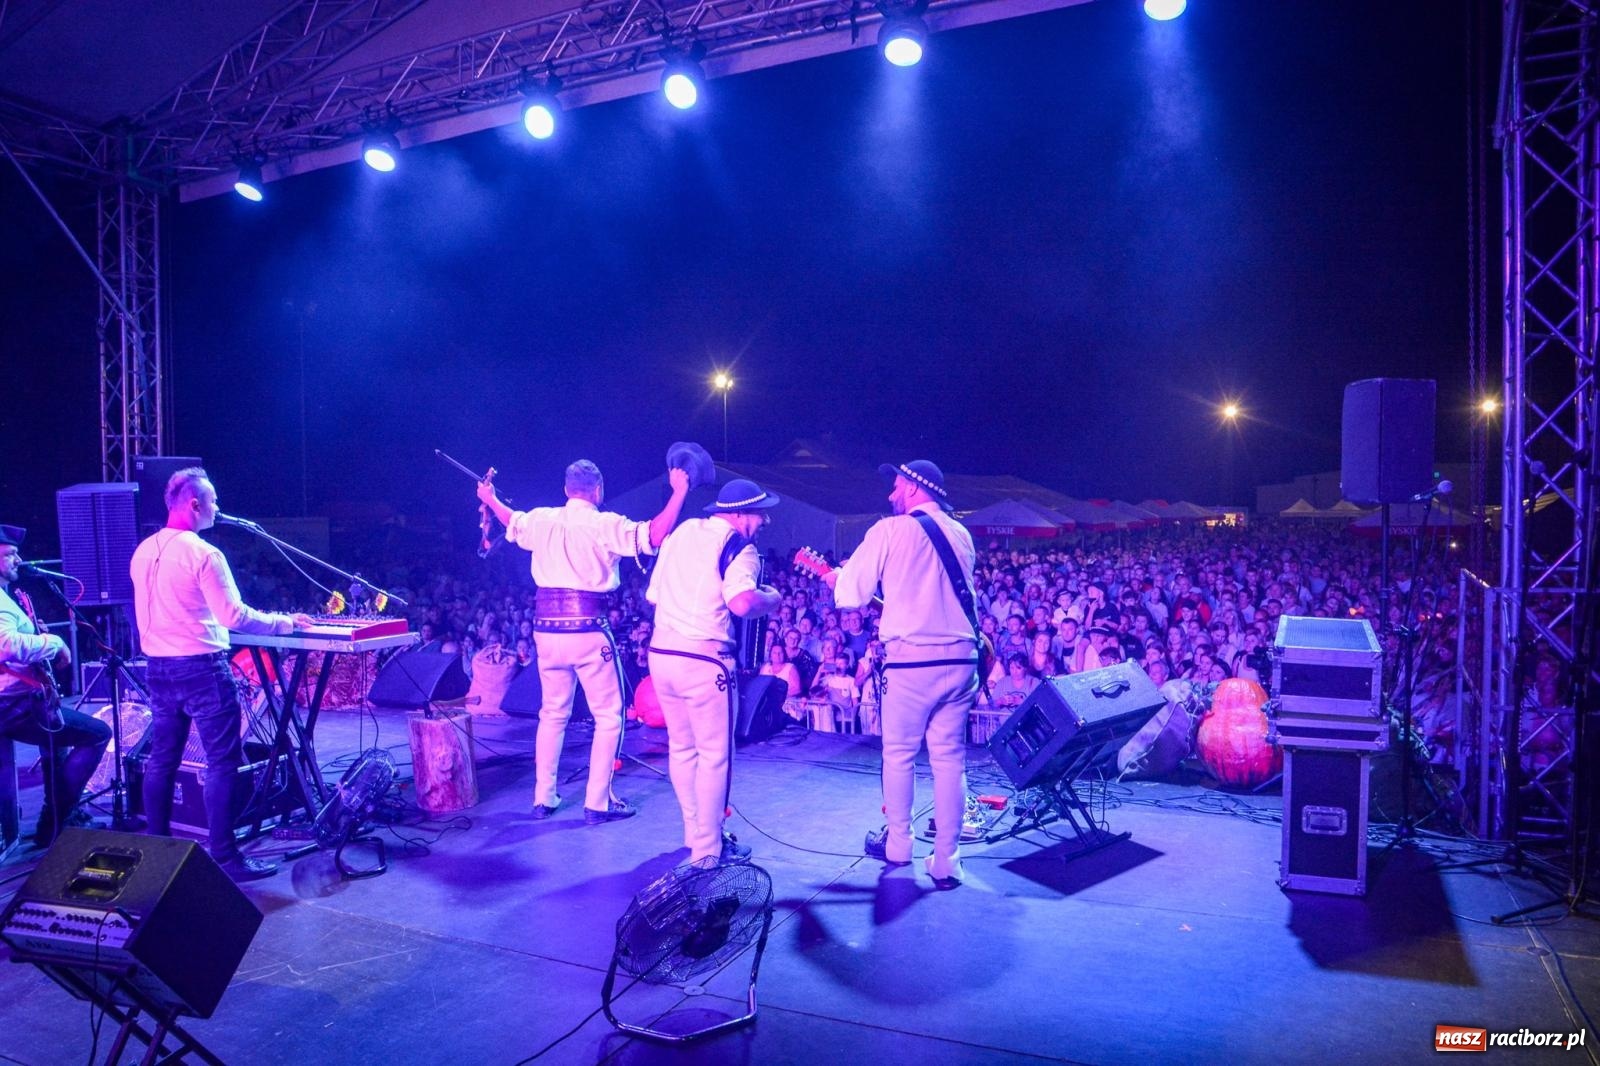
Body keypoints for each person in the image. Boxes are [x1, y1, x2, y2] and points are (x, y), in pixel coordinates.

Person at [478, 460, 689, 822]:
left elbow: (512, 520)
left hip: (546, 629)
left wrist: (489, 497)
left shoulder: (543, 518)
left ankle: (543, 798)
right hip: (588, 628)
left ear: (565, 490)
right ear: (598, 490)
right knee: (609, 716)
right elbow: (653, 535)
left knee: (552, 713)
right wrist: (680, 492)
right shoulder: (603, 524)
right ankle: (598, 802)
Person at [129, 469, 314, 880]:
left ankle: (157, 849)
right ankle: (226, 858)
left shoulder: (142, 551)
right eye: (212, 501)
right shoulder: (205, 554)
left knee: (162, 760)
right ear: (195, 504)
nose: (217, 508)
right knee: (222, 762)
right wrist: (285, 623)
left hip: (158, 669)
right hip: (201, 669)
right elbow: (234, 617)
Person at [823, 460, 978, 889]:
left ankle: (898, 845)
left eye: (895, 486)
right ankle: (947, 860)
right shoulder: (961, 534)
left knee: (899, 756)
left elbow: (851, 594)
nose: (890, 494)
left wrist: (837, 578)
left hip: (912, 662)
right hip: (962, 661)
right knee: (950, 760)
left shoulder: (888, 531)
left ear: (911, 488)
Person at [647, 478, 781, 865]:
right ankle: (709, 849)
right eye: (760, 514)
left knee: (682, 748)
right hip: (705, 660)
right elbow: (740, 603)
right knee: (715, 756)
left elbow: (653, 594)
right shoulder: (741, 547)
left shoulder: (684, 530)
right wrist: (770, 599)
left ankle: (696, 834)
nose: (764, 522)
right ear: (739, 515)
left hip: (662, 653)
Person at [0, 524, 111, 848]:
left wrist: (36, 634)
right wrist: (52, 642)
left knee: (55, 745)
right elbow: (5, 644)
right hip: (12, 703)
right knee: (97, 735)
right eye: (10, 554)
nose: (18, 559)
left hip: (20, 697)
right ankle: (55, 821)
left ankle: (60, 820)